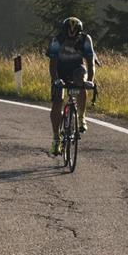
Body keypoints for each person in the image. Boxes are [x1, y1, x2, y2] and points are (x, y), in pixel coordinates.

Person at [47, 16, 96, 155]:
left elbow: (90, 62)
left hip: (77, 68)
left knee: (81, 81)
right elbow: (53, 65)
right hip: (60, 70)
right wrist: (56, 80)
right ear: (63, 34)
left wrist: (90, 80)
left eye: (74, 38)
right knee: (57, 101)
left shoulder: (86, 40)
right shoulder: (57, 41)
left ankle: (81, 117)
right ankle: (56, 138)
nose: (71, 40)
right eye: (68, 38)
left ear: (79, 35)